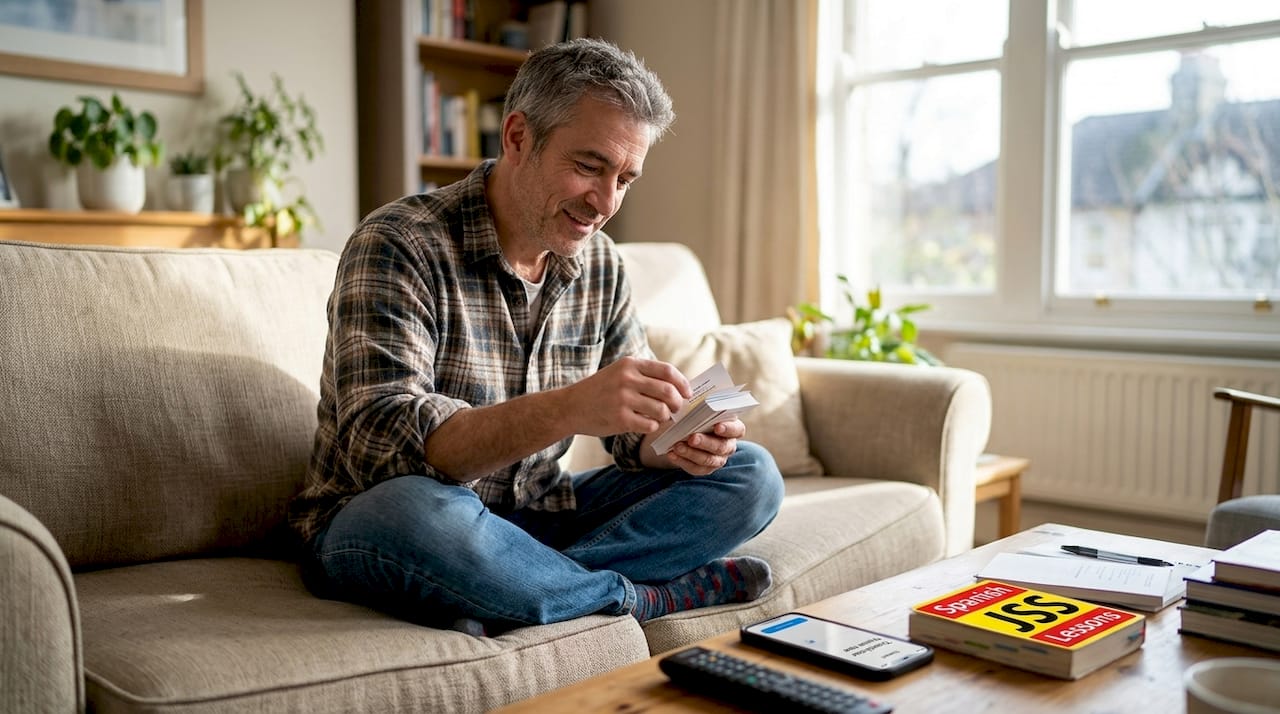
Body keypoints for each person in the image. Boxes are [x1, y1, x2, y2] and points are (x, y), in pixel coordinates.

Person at [288, 38, 784, 635]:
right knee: (412, 515)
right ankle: (640, 597)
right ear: (518, 136)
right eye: (589, 167)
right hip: (394, 515)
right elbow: (379, 444)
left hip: (540, 514)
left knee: (750, 475)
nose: (605, 203)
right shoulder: (399, 243)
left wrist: (676, 441)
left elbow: (633, 441)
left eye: (625, 178)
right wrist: (570, 407)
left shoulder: (601, 266)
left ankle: (511, 590)